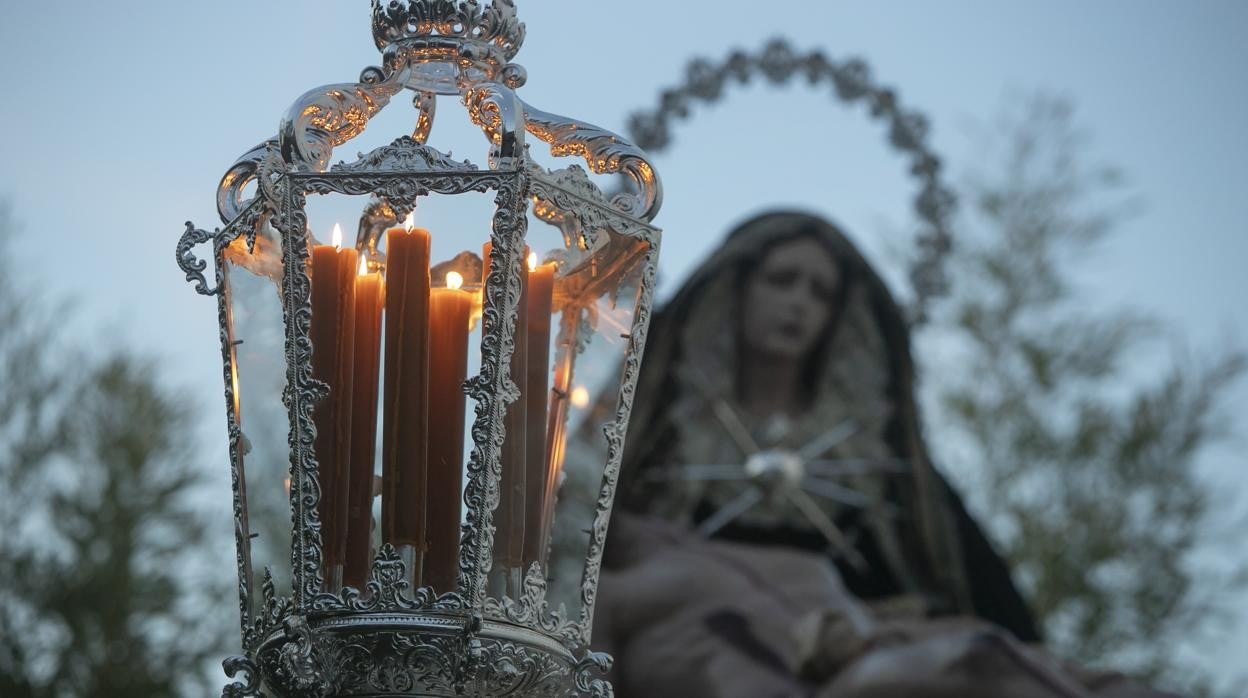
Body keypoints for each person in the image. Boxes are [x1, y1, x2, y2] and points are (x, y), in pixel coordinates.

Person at [589, 211, 1177, 698]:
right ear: (738, 288)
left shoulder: (880, 466)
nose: (799, 303)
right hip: (713, 641)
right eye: (782, 279)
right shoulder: (655, 439)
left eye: (820, 292)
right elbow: (582, 550)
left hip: (863, 638)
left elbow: (976, 591)